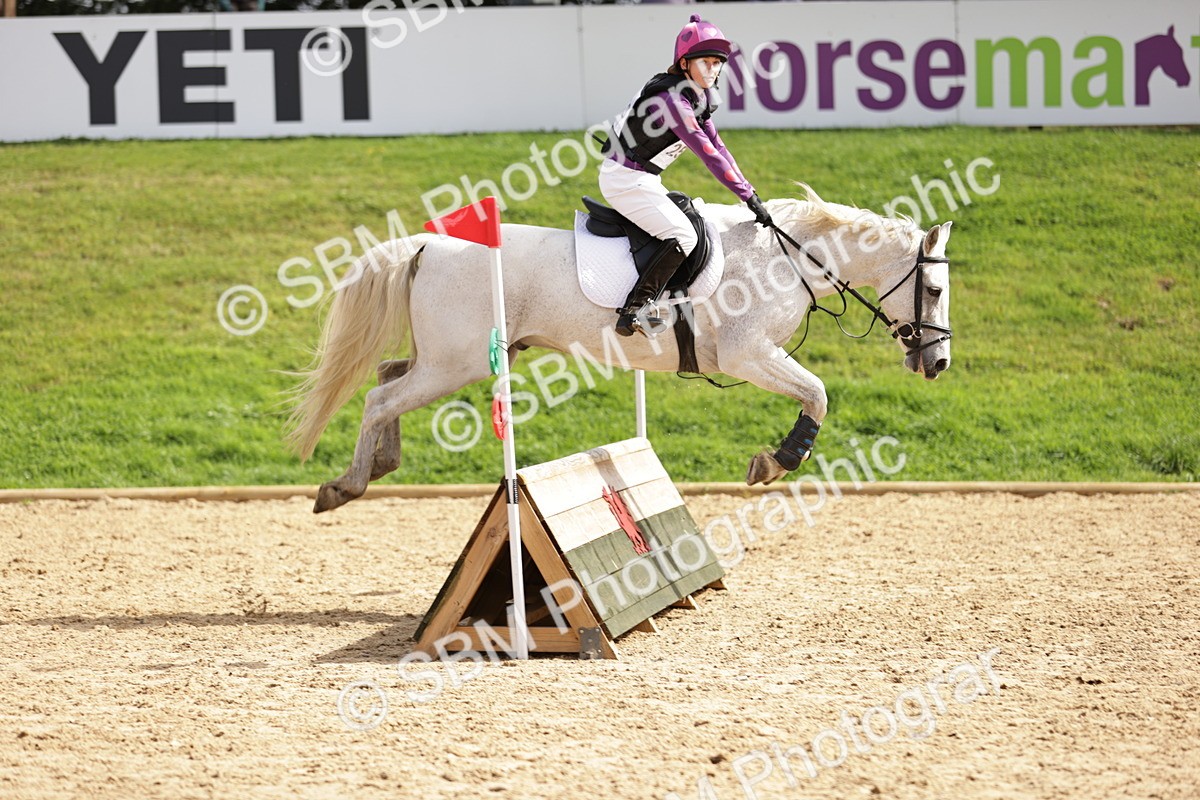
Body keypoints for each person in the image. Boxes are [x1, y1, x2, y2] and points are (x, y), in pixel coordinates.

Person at [599, 13, 774, 337]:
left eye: (718, 63)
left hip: (644, 178)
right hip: (623, 180)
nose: (714, 69)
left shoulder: (695, 97)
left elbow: (719, 147)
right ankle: (633, 310)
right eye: (706, 62)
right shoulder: (673, 102)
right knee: (684, 236)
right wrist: (746, 196)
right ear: (684, 64)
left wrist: (751, 195)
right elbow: (707, 155)